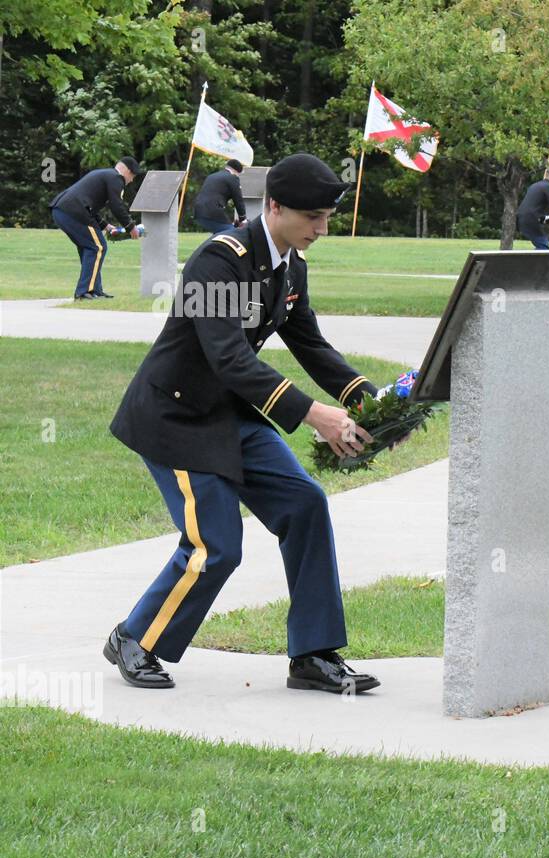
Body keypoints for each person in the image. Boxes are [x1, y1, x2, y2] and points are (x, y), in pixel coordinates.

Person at [104, 153, 384, 695]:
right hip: (175, 417)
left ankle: (313, 655)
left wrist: (371, 401)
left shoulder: (290, 265)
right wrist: (314, 415)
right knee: (217, 545)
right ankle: (133, 638)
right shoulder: (219, 259)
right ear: (274, 206)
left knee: (304, 504)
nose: (321, 229)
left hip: (228, 412)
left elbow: (313, 348)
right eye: (312, 218)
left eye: (327, 217)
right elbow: (229, 357)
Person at [49, 156, 143, 300]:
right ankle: (84, 292)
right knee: (97, 247)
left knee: (90, 248)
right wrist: (131, 227)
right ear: (127, 171)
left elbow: (89, 206)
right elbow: (116, 205)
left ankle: (94, 291)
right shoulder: (116, 178)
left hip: (62, 210)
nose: (131, 180)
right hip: (73, 211)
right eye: (132, 176)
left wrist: (105, 226)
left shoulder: (105, 175)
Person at [192, 158, 248, 234]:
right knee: (232, 233)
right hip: (212, 212)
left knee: (219, 234)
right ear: (236, 171)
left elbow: (216, 197)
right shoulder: (233, 178)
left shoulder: (212, 176)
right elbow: (238, 200)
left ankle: (213, 246)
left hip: (198, 211)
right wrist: (243, 219)